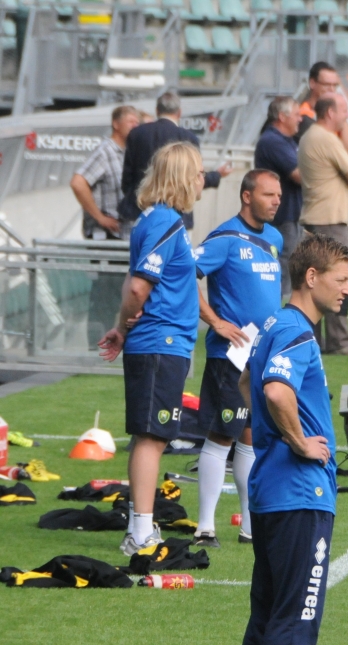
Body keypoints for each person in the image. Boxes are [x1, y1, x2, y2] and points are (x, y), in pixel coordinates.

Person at [239, 234, 348, 645]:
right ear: (311, 277)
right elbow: (274, 389)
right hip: (301, 494)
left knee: (266, 619)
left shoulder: (274, 324)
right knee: (294, 624)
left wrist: (273, 430)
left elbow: (245, 381)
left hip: (270, 491)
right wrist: (300, 441)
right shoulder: (298, 333)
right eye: (340, 279)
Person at [98, 141, 203, 555]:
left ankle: (141, 524)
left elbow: (132, 281)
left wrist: (121, 328)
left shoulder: (151, 220)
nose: (201, 181)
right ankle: (140, 530)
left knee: (151, 435)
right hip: (162, 342)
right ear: (181, 177)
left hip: (157, 342)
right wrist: (126, 324)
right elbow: (139, 286)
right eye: (197, 173)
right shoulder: (165, 222)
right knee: (152, 438)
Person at [193, 169, 284, 548]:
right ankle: (205, 527)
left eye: (278, 194)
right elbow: (184, 275)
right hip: (229, 357)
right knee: (222, 436)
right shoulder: (225, 238)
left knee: (250, 438)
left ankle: (249, 527)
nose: (276, 200)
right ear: (247, 196)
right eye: (268, 195)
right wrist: (216, 322)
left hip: (261, 355)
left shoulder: (275, 238)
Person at [298, 93, 348, 356]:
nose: (347, 115)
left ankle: (314, 340)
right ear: (329, 113)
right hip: (329, 222)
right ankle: (340, 342)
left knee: (313, 284)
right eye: (344, 111)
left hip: (314, 219)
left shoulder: (311, 136)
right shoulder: (326, 139)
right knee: (340, 281)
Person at [70, 105, 140, 346]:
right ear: (116, 124)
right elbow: (78, 182)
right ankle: (95, 346)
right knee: (103, 293)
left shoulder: (127, 153)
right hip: (104, 235)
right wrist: (99, 217)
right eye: (131, 121)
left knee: (116, 294)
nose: (136, 126)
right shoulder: (105, 151)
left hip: (121, 236)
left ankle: (112, 341)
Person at [119, 91, 232, 231]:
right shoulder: (188, 138)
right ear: (179, 113)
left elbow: (127, 178)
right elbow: (193, 178)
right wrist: (218, 175)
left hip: (138, 211)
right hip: (178, 217)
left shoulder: (137, 134)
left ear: (157, 111)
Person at [254, 96, 303, 298]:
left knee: (290, 264)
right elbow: (299, 175)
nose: (301, 119)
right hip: (279, 217)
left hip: (288, 214)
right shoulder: (272, 141)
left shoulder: (286, 140)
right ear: (282, 117)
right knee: (283, 266)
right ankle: (277, 314)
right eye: (297, 114)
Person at [295, 61, 348, 157]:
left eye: (335, 85)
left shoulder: (334, 113)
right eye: (326, 84)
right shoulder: (304, 115)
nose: (332, 89)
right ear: (312, 83)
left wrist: (340, 112)